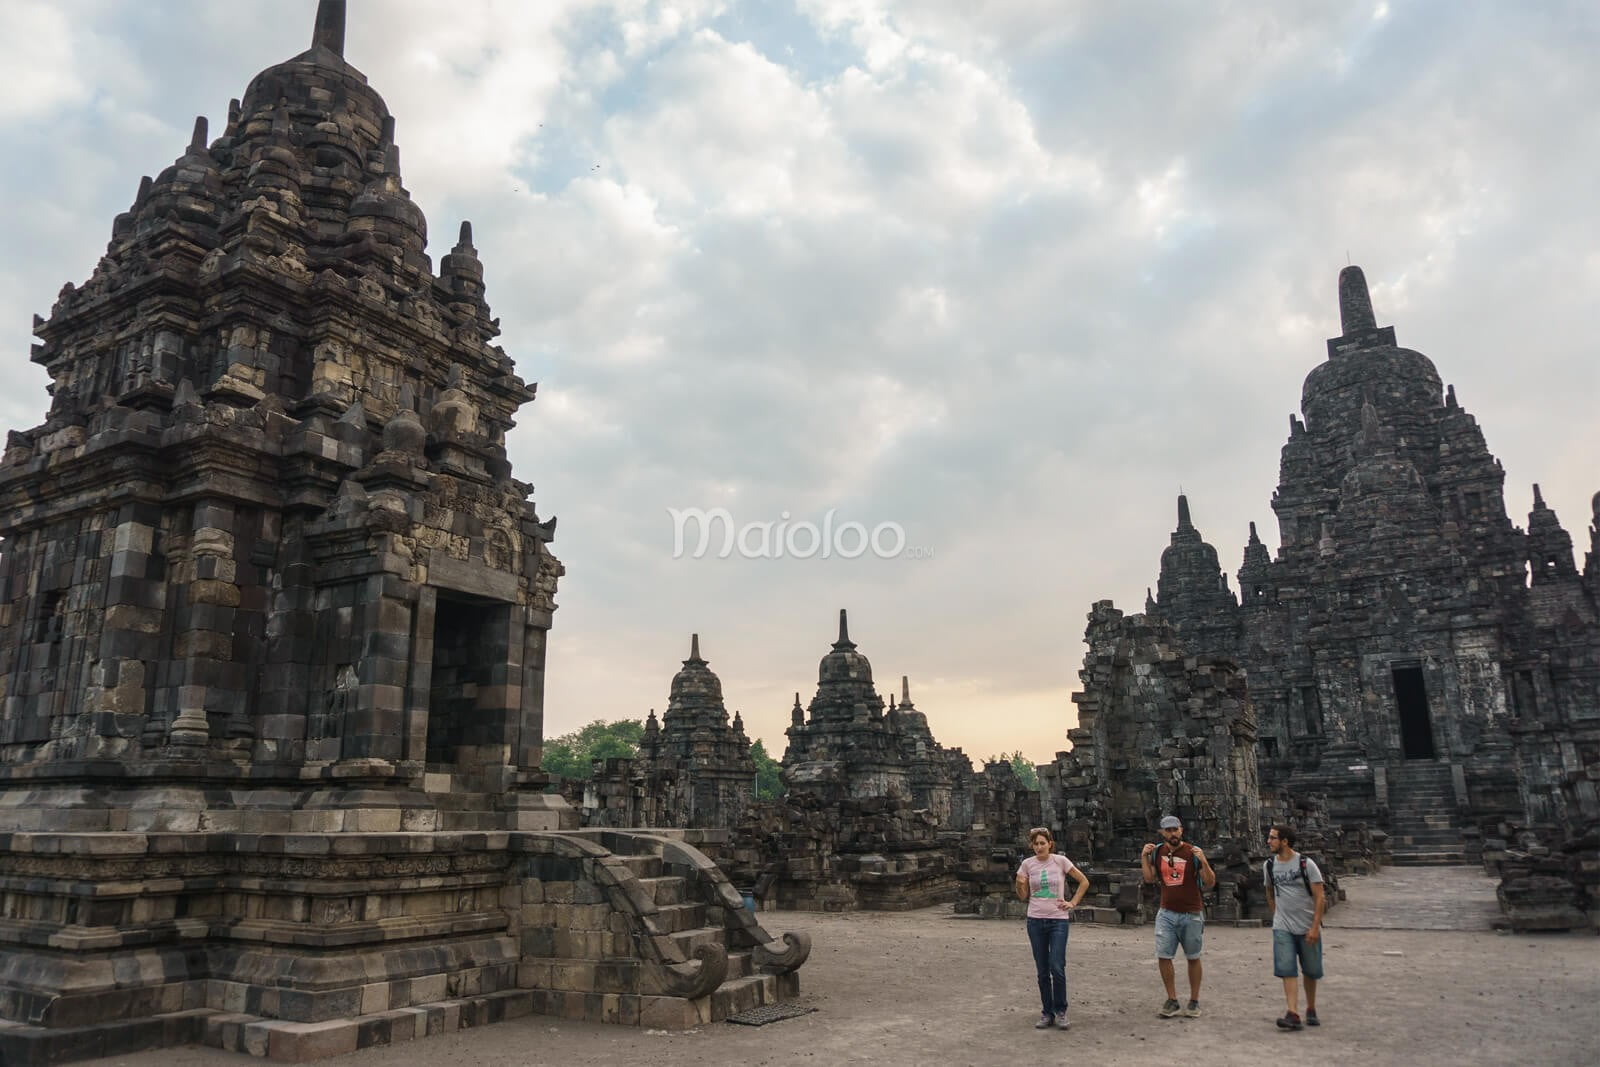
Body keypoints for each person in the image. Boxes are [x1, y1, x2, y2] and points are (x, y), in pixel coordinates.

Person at [1140, 814, 1216, 1018]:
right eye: (1168, 830)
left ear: (1181, 830)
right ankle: (1172, 999)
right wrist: (1144, 857)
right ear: (1162, 832)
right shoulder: (1157, 852)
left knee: (1193, 957)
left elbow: (1209, 882)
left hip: (1191, 913)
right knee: (1164, 955)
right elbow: (1149, 878)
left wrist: (1204, 861)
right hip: (1166, 912)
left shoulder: (1192, 852)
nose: (1172, 833)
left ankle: (1194, 1000)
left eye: (1175, 829)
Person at [1015, 826, 1090, 1030]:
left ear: (1050, 844)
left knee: (1057, 966)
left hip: (1058, 920)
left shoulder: (1060, 861)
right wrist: (1019, 883)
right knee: (1042, 970)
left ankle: (1061, 1010)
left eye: (1042, 843)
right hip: (1035, 920)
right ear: (1031, 845)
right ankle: (1047, 1012)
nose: (1039, 847)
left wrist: (1072, 902)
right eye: (1036, 844)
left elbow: (1083, 881)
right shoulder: (1027, 864)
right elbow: (1022, 896)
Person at [1264, 824, 1325, 1031]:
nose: (1268, 841)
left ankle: (1310, 1007)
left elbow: (1320, 897)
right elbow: (1270, 893)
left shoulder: (1306, 865)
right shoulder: (1269, 865)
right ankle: (1293, 1013)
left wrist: (1315, 926)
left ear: (1284, 841)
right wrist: (1276, 917)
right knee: (1287, 969)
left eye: (1272, 838)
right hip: (1283, 926)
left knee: (1311, 970)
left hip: (1307, 925)